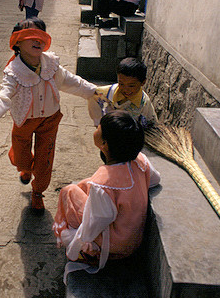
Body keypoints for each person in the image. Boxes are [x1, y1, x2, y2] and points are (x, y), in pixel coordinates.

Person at [0, 18, 98, 214]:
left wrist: (94, 91)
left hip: (50, 120)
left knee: (45, 160)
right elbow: (2, 99)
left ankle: (38, 193)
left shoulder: (51, 64)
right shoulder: (14, 72)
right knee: (22, 160)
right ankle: (23, 165)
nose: (37, 40)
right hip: (23, 121)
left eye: (41, 35)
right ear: (17, 42)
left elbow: (70, 81)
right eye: (30, 36)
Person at [52, 110, 161, 280]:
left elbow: (93, 225)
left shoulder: (104, 184)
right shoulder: (140, 160)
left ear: (104, 144)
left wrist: (79, 244)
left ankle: (91, 254)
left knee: (69, 192)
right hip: (133, 239)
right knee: (86, 184)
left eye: (99, 128)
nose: (95, 128)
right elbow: (155, 180)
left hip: (115, 247)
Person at [88, 57, 158, 128]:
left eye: (131, 86)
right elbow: (97, 122)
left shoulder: (144, 103)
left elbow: (150, 126)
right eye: (121, 84)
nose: (125, 89)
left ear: (143, 82)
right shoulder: (102, 94)